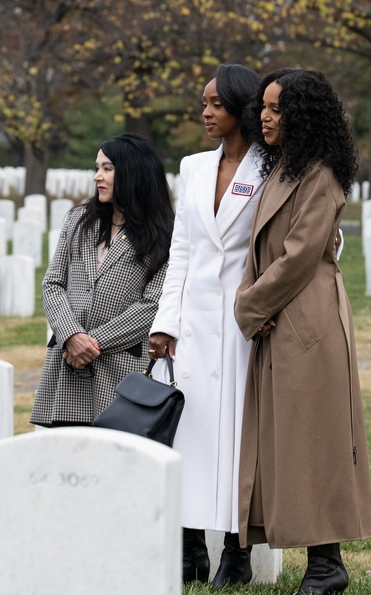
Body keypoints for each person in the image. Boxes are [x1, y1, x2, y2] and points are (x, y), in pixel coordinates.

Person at [234, 69, 371, 595]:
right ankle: (311, 559)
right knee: (284, 439)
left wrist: (248, 306)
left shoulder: (320, 173)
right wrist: (254, 304)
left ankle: (327, 564)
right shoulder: (282, 167)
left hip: (305, 316)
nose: (266, 117)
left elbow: (299, 256)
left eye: (277, 109)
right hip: (278, 314)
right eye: (264, 108)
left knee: (313, 439)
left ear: (304, 115)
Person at [148, 64, 264, 586]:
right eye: (204, 102)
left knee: (239, 438)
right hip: (191, 326)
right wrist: (165, 320)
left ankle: (237, 553)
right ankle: (191, 545)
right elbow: (182, 249)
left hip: (243, 324)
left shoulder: (273, 166)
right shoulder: (193, 167)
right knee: (189, 434)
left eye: (217, 103)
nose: (206, 112)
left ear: (242, 108)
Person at [30, 133, 174, 427]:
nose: (97, 176)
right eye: (97, 168)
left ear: (133, 172)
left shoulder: (163, 235)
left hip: (120, 367)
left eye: (107, 168)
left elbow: (153, 304)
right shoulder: (78, 219)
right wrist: (72, 336)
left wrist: (92, 344)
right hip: (68, 364)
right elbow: (53, 283)